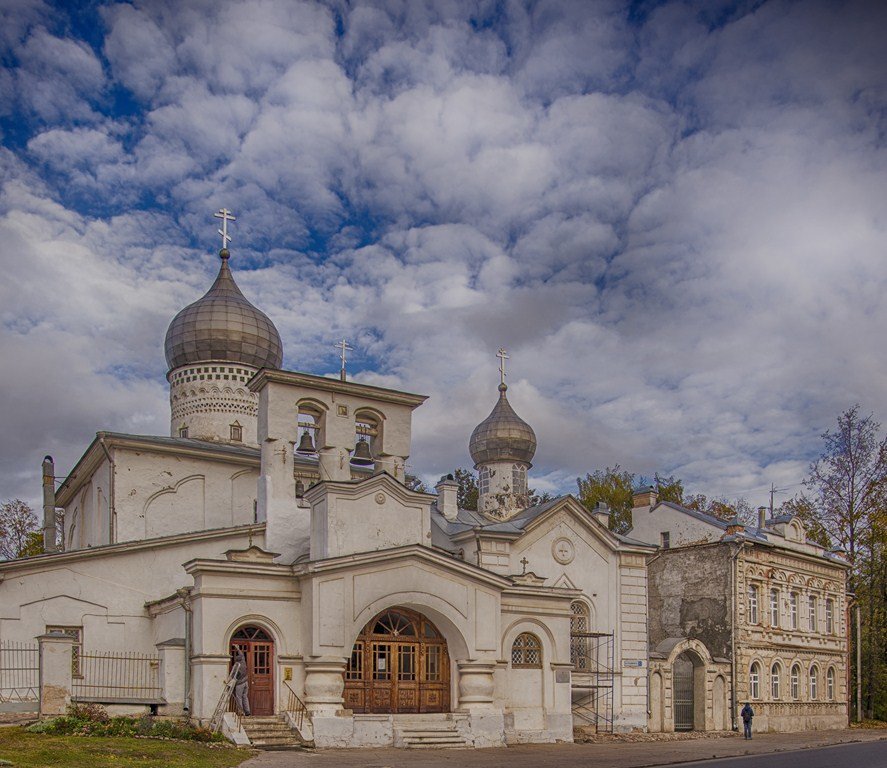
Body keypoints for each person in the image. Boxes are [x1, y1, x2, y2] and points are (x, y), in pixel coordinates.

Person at [232, 648, 251, 716]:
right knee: (245, 697)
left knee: (239, 697)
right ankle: (247, 711)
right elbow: (242, 655)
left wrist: (228, 681)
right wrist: (237, 649)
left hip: (240, 684)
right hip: (246, 683)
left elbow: (233, 676)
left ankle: (241, 711)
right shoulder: (243, 662)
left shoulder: (236, 666)